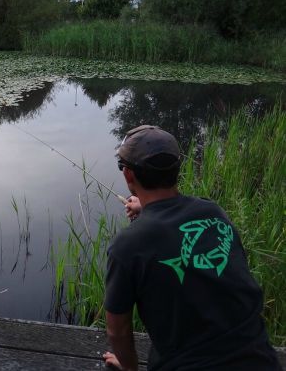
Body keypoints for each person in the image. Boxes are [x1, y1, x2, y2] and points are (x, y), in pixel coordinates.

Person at [103, 125, 281, 370]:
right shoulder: (214, 213)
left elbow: (117, 331)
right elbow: (179, 216)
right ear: (177, 169)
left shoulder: (127, 246)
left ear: (129, 176)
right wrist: (148, 209)